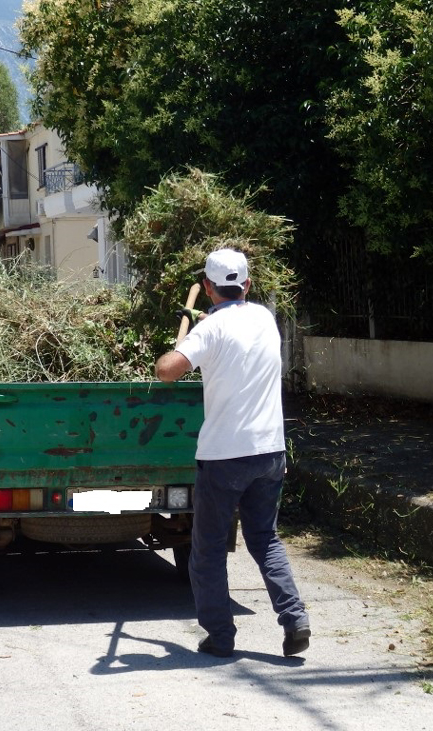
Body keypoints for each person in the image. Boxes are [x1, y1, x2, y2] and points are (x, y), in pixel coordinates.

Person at [155, 248, 310, 658]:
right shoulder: (264, 319)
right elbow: (232, 332)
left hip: (224, 457)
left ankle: (220, 637)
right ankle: (295, 619)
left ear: (207, 287)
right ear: (247, 284)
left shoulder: (208, 332)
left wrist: (182, 343)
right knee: (265, 539)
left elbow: (168, 371)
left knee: (206, 550)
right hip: (269, 452)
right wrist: (207, 329)